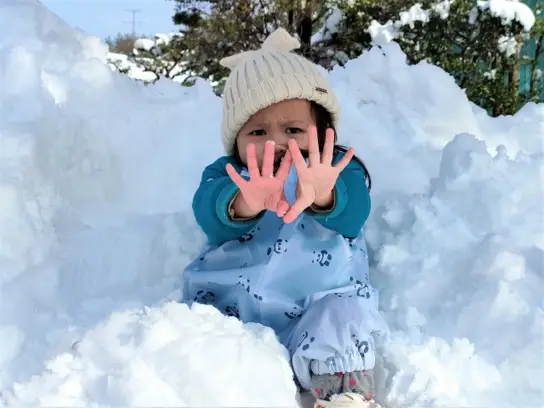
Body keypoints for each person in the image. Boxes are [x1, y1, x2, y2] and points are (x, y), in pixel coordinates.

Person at [182, 27, 389, 408]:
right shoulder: (227, 175)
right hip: (237, 309)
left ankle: (344, 394)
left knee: (343, 318)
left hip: (317, 305)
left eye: (293, 129)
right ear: (236, 140)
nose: (276, 142)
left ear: (323, 132)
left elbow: (354, 216)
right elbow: (209, 216)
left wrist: (324, 193)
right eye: (258, 131)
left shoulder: (335, 170)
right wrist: (244, 201)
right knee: (206, 344)